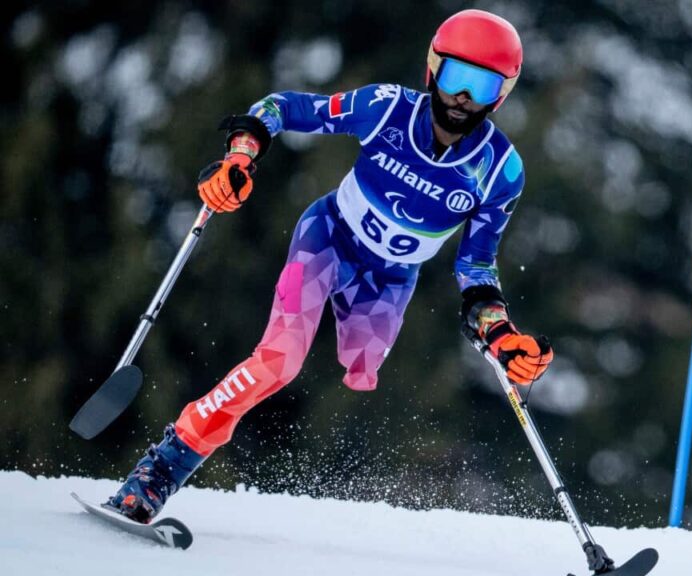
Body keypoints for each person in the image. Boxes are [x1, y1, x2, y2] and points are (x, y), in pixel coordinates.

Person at [107, 9, 553, 523]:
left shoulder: (500, 171)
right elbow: (285, 107)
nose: (463, 99)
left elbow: (476, 265)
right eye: (456, 78)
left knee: (362, 369)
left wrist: (499, 334)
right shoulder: (385, 109)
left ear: (503, 93)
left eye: (483, 86)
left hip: (389, 281)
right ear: (433, 68)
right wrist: (241, 154)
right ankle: (160, 470)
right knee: (279, 361)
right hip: (327, 241)